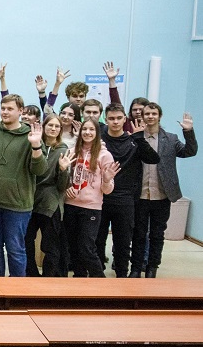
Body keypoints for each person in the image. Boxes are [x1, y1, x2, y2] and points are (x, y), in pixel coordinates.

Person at [0, 94, 46, 277]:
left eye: (10, 109)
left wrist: (36, 146)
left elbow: (39, 170)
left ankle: (17, 288)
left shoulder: (31, 136)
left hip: (17, 205)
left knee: (15, 249)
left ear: (20, 111)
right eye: (3, 108)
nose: (5, 112)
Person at [130, 105, 196, 278]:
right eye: (147, 113)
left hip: (162, 195)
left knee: (157, 234)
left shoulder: (171, 139)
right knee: (138, 233)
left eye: (154, 113)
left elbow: (190, 151)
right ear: (142, 116)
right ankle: (135, 268)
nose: (150, 116)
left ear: (159, 116)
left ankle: (152, 268)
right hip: (139, 195)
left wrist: (188, 132)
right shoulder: (135, 138)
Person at [96, 104, 159, 277]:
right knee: (97, 240)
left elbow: (154, 159)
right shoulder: (99, 141)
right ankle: (97, 274)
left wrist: (140, 138)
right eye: (111, 118)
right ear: (106, 120)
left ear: (125, 119)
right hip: (100, 198)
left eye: (119, 118)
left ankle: (122, 275)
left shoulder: (134, 140)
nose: (115, 122)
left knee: (123, 242)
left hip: (125, 200)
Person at [64, 119, 119, 277]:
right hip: (70, 205)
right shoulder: (72, 151)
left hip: (91, 209)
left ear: (97, 133)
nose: (87, 132)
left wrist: (107, 180)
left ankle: (99, 280)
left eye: (91, 129)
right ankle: (79, 279)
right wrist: (67, 187)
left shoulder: (104, 155)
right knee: (73, 248)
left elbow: (107, 190)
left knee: (86, 248)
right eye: (85, 129)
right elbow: (64, 176)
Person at [24, 115, 71, 277]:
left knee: (50, 245)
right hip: (30, 200)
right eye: (50, 125)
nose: (53, 128)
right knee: (26, 240)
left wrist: (63, 170)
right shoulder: (35, 145)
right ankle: (31, 274)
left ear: (60, 130)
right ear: (43, 127)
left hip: (51, 204)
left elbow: (63, 186)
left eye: (57, 126)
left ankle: (49, 277)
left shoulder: (63, 150)